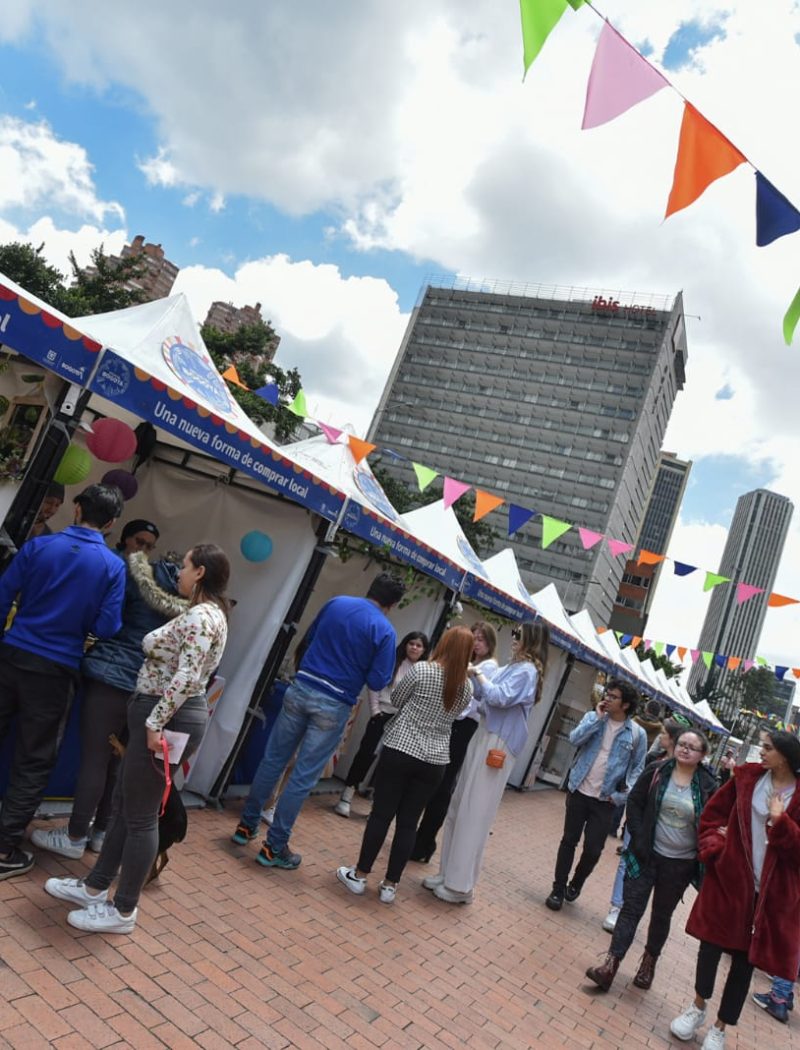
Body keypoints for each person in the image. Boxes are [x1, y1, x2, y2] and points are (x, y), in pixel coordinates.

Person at [44, 544, 230, 934]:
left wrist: (154, 722)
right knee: (129, 806)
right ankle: (96, 887)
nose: (178, 572)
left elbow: (186, 676)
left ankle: (123, 909)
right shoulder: (208, 615)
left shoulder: (200, 616)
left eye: (183, 565)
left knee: (141, 815)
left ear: (199, 573)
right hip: (165, 714)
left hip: (168, 717)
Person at [32, 519, 185, 860]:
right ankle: (101, 833)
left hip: (112, 675)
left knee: (95, 759)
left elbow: (109, 621)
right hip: (148, 687)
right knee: (119, 763)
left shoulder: (134, 576)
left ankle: (73, 836)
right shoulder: (186, 600)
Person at [231, 572, 405, 869]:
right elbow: (378, 680)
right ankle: (274, 846)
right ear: (392, 604)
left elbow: (309, 637)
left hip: (302, 686)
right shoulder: (385, 631)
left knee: (273, 760)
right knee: (302, 776)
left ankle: (246, 826)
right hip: (335, 700)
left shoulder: (336, 602)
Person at [0, 483, 126, 881]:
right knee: (34, 759)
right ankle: (3, 848)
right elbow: (108, 625)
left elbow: (3, 594)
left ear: (75, 509)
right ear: (110, 523)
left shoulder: (40, 547)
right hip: (57, 669)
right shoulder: (112, 566)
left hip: (11, 653)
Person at [670, 729, 800, 1049]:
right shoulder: (746, 779)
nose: (761, 752)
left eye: (767, 748)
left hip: (769, 897)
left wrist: (781, 822)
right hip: (729, 882)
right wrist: (715, 848)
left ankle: (720, 1027)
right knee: (710, 947)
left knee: (743, 965)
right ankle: (697, 1007)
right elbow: (711, 817)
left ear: (784, 756)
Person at [336, 626, 473, 903]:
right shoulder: (466, 687)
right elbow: (457, 717)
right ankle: (389, 886)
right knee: (409, 823)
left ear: (444, 644)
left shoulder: (422, 670)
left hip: (402, 747)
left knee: (381, 815)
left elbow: (396, 699)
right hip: (435, 759)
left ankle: (360, 876)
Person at [426, 620, 549, 905]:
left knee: (475, 811)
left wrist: (479, 674)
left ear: (530, 640)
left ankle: (460, 885)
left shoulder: (527, 672)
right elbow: (484, 697)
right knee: (459, 805)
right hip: (485, 735)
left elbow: (498, 697)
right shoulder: (514, 668)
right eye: (514, 633)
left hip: (499, 743)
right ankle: (448, 874)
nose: (513, 639)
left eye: (519, 635)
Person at [586, 729, 717, 992]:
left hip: (680, 864)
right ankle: (610, 965)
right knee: (631, 909)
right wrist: (638, 836)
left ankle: (648, 964)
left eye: (692, 747)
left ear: (703, 754)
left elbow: (714, 820)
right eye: (682, 744)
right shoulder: (658, 770)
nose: (685, 749)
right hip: (645, 856)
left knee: (661, 915)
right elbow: (634, 801)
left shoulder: (708, 785)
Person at [545, 678, 646, 911]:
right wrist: (597, 720)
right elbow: (574, 739)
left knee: (593, 849)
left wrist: (621, 797)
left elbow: (638, 769)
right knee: (569, 840)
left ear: (626, 704)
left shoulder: (637, 734)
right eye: (606, 694)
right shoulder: (593, 717)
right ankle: (558, 889)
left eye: (613, 696)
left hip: (606, 800)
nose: (607, 699)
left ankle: (576, 882)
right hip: (579, 789)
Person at [410, 621, 498, 863]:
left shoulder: (487, 667)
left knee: (443, 782)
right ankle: (420, 839)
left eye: (481, 639)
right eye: (474, 637)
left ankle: (424, 841)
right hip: (450, 720)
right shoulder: (463, 661)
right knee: (433, 778)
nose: (476, 643)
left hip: (464, 725)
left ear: (489, 644)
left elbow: (481, 701)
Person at [603, 716, 687, 932]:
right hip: (640, 821)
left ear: (672, 739)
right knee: (626, 861)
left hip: (664, 830)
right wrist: (634, 819)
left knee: (649, 870)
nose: (660, 736)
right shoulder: (653, 760)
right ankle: (617, 907)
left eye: (664, 734)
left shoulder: (686, 770)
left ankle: (631, 908)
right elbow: (638, 791)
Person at [334, 630, 429, 818]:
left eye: (419, 645)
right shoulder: (392, 662)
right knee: (365, 754)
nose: (414, 648)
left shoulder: (424, 670)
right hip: (381, 713)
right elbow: (375, 685)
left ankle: (375, 805)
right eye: (412, 643)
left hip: (401, 721)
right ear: (405, 644)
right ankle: (347, 795)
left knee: (389, 763)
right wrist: (375, 709)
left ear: (424, 650)